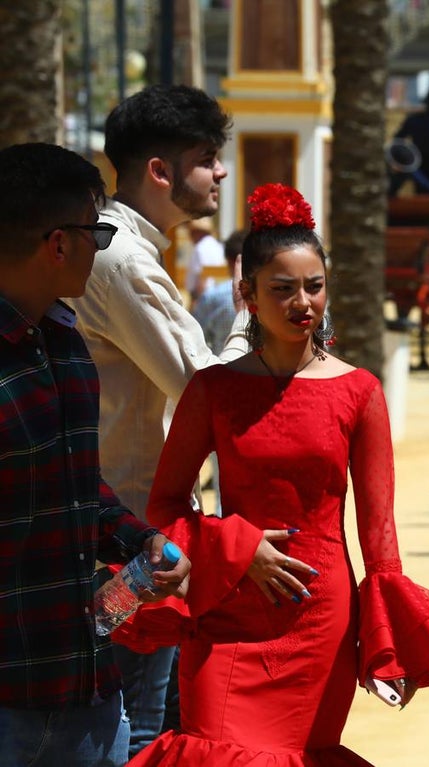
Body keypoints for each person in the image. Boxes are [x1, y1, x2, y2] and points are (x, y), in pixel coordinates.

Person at [120, 183, 429, 765]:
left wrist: (387, 646)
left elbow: (380, 541)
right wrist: (237, 546)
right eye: (282, 289)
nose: (303, 302)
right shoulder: (214, 390)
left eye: (314, 286)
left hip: (317, 618)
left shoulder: (359, 391)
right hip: (226, 607)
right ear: (247, 294)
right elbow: (166, 506)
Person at [0, 142, 191, 767]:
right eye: (96, 232)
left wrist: (137, 540)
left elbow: (77, 487)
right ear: (58, 243)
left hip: (88, 690)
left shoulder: (66, 342)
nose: (101, 247)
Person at [69, 84, 240, 756]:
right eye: (206, 156)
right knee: (139, 724)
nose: (220, 171)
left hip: (127, 528)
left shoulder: (118, 248)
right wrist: (258, 318)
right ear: (160, 172)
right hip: (130, 540)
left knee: (145, 713)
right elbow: (205, 390)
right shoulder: (122, 260)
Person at [192, 228, 244, 355]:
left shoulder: (212, 297)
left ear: (229, 261)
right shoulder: (271, 294)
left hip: (221, 367)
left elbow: (194, 340)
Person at [184, 217, 226, 305]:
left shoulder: (200, 248)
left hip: (203, 297)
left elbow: (202, 278)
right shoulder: (217, 246)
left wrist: (195, 302)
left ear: (197, 232)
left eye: (191, 232)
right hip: (219, 295)